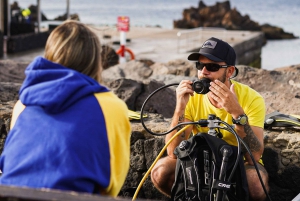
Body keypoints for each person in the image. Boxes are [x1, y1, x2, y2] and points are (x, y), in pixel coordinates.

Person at [0, 20, 131, 197]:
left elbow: (11, 165)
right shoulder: (111, 107)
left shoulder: (24, 103)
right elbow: (110, 185)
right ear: (95, 61)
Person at [151, 37, 269, 201]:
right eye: (200, 65)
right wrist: (180, 107)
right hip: (200, 159)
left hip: (238, 163)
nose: (204, 72)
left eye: (212, 67)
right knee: (160, 172)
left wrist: (237, 114)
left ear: (229, 71)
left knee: (256, 184)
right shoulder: (193, 96)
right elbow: (173, 152)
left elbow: (254, 156)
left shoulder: (251, 99)